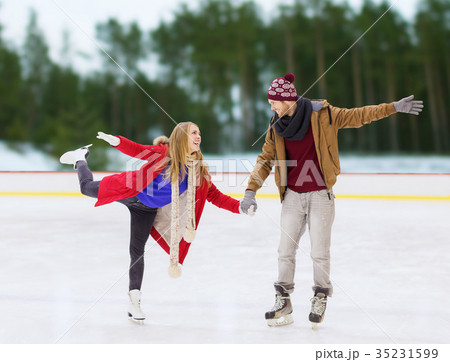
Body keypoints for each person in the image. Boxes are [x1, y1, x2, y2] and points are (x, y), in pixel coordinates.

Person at [239, 73, 423, 327]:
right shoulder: (276, 125)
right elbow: (265, 159)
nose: (271, 106)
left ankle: (320, 295)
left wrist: (393, 107)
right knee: (285, 250)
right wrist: (251, 190)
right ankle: (284, 299)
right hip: (292, 194)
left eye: (274, 101)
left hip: (320, 194)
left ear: (288, 100)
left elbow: (358, 115)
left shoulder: (322, 114)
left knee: (319, 252)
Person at [59, 122, 254, 323]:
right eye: (194, 132)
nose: (199, 136)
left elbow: (215, 196)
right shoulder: (163, 153)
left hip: (145, 209)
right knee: (86, 188)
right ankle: (80, 159)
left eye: (199, 133)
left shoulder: (198, 172)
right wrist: (116, 141)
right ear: (181, 137)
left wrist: (240, 207)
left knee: (136, 251)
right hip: (129, 190)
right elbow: (139, 150)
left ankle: (134, 300)